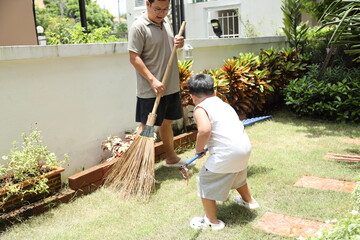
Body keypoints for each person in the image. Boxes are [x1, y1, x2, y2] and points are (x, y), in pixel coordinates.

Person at [187, 74, 259, 230]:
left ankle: (212, 221)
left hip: (228, 154)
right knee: (237, 174)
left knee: (204, 179)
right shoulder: (224, 104)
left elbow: (204, 130)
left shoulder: (200, 108)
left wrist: (198, 149)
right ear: (214, 91)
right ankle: (249, 201)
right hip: (244, 149)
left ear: (192, 96)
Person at [128, 0, 185, 166]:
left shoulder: (165, 21)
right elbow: (134, 58)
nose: (162, 13)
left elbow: (165, 47)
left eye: (166, 9)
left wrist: (177, 44)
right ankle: (137, 167)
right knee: (147, 126)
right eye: (157, 9)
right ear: (147, 4)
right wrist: (152, 80)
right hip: (151, 89)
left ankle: (171, 157)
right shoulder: (138, 27)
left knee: (167, 121)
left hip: (170, 85)